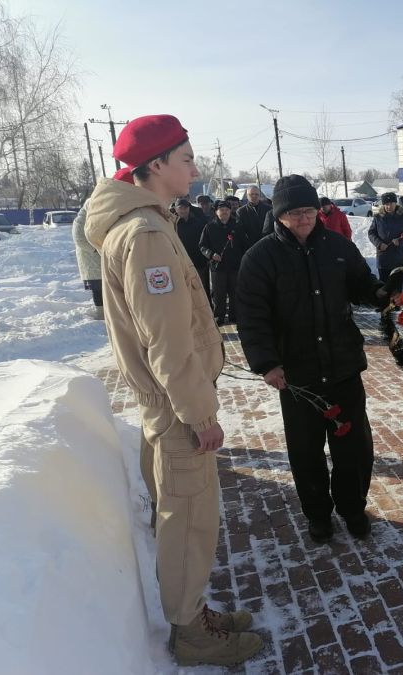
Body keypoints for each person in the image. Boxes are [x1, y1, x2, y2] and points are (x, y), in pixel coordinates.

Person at [83, 114, 261, 666]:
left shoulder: (145, 225)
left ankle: (193, 611)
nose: (195, 169)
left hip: (167, 402)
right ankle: (190, 633)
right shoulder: (146, 235)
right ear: (156, 165)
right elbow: (167, 341)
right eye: (186, 159)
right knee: (187, 521)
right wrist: (200, 415)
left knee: (184, 514)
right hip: (177, 407)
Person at [236, 175, 388, 542]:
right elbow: (252, 316)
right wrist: (267, 363)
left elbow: (361, 285)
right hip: (296, 373)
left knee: (354, 448)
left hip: (343, 365)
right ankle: (318, 513)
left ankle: (353, 508)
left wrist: (382, 292)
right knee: (306, 452)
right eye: (294, 213)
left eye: (308, 210)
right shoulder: (260, 258)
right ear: (279, 215)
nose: (303, 218)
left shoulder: (338, 247)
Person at [199, 200, 245, 325]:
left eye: (227, 210)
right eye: (222, 210)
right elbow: (202, 246)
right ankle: (219, 315)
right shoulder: (210, 227)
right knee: (218, 293)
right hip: (217, 267)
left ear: (230, 211)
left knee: (234, 292)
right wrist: (211, 254)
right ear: (216, 212)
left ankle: (234, 315)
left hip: (235, 265)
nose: (224, 212)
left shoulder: (237, 226)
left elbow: (244, 245)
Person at [368, 192, 403, 281]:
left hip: (399, 257)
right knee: (384, 284)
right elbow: (371, 233)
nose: (389, 206)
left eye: (391, 204)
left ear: (395, 203)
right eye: (386, 204)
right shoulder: (378, 217)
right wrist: (379, 244)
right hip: (383, 258)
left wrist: (400, 241)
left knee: (398, 284)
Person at [173, 198, 211, 304]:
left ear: (189, 209)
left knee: (202, 287)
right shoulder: (172, 224)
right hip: (180, 262)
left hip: (198, 261)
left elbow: (204, 242)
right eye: (180, 208)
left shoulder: (198, 222)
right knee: (183, 288)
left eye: (185, 208)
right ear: (176, 209)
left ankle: (207, 307)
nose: (183, 210)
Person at [71, 199, 104, 320]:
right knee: (98, 288)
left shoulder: (94, 217)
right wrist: (96, 249)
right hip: (90, 258)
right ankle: (101, 313)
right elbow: (79, 239)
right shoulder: (81, 220)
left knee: (106, 287)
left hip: (99, 257)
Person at [236, 185, 272, 250]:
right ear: (247, 195)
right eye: (251, 194)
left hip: (267, 244)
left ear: (259, 195)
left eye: (256, 194)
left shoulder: (268, 209)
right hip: (250, 247)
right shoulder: (241, 211)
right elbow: (240, 232)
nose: (254, 196)